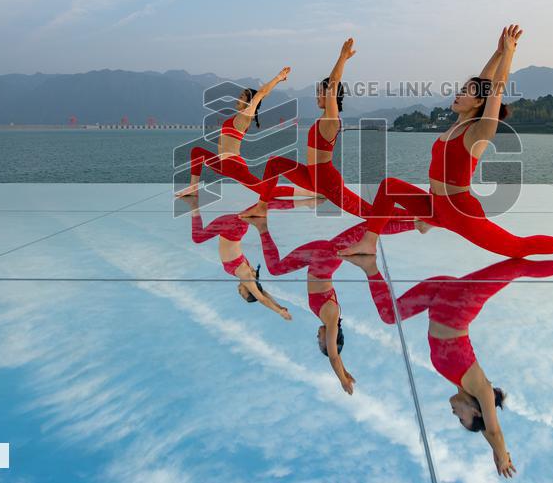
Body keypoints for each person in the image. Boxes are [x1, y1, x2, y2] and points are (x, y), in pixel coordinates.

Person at [339, 25, 553, 259]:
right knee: (389, 187)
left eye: (466, 93)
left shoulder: (479, 131)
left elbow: (495, 88)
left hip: (460, 213)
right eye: (461, 89)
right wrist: (497, 52)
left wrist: (510, 53)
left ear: (480, 102)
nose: (458, 94)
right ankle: (369, 242)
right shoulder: (458, 124)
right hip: (435, 206)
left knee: (516, 247)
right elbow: (484, 82)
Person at [346, 253, 553, 477]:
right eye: (461, 417)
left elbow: (487, 431)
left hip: (438, 297)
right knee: (517, 267)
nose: (454, 414)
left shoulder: (459, 382)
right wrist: (501, 456)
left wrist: (492, 446)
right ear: (477, 411)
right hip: (460, 303)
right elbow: (494, 431)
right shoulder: (479, 387)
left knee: (390, 315)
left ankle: (369, 265)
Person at [241, 38, 415, 220]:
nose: (317, 96)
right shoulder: (324, 118)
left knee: (370, 213)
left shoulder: (332, 120)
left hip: (327, 182)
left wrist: (342, 58)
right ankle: (261, 208)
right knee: (274, 163)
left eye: (320, 92)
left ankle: (417, 217)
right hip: (311, 176)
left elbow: (333, 82)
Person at [263, 220, 416, 393]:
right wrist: (342, 380)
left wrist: (345, 371)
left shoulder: (329, 317)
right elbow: (334, 356)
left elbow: (336, 355)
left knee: (276, 269)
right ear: (329, 340)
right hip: (324, 258)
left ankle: (261, 225)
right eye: (320, 341)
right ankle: (418, 222)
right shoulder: (331, 319)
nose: (317, 337)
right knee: (367, 229)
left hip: (318, 257)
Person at [175, 66, 314, 200]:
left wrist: (278, 77)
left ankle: (309, 193)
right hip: (222, 163)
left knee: (265, 191)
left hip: (234, 165)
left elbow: (261, 94)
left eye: (242, 97)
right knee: (197, 151)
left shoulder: (245, 116)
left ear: (249, 103)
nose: (238, 98)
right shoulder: (237, 117)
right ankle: (193, 188)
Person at [189, 199, 292, 320]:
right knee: (197, 237)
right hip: (230, 229)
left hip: (236, 228)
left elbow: (263, 292)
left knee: (263, 206)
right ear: (249, 290)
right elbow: (261, 298)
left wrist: (280, 306)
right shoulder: (246, 276)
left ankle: (298, 200)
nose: (239, 293)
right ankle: (193, 203)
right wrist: (279, 311)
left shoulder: (249, 273)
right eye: (242, 295)